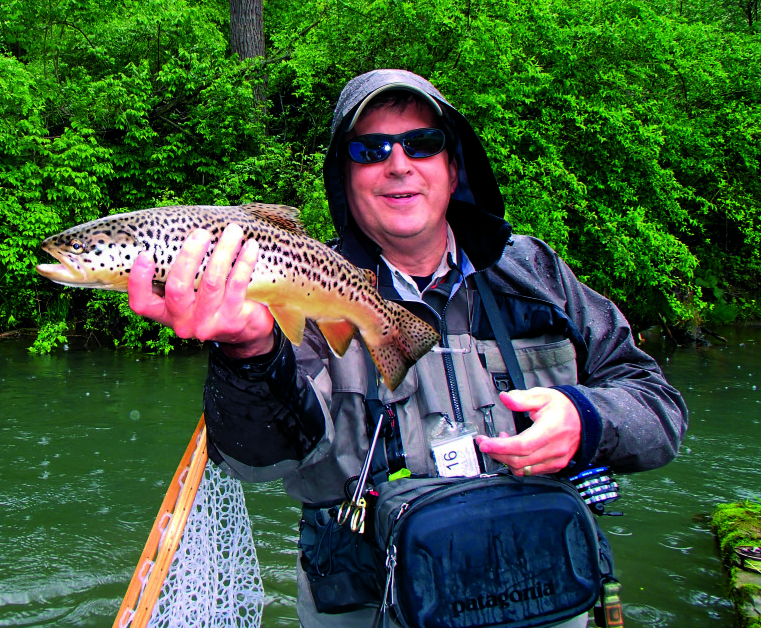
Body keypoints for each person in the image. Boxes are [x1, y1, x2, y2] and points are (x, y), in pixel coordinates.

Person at [127, 69, 688, 627]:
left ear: (453, 167)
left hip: (541, 592)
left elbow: (658, 409)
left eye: (422, 143)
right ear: (344, 179)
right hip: (370, 606)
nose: (398, 163)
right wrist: (249, 353)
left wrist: (586, 420)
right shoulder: (292, 291)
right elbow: (259, 461)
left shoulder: (536, 274)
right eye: (370, 150)